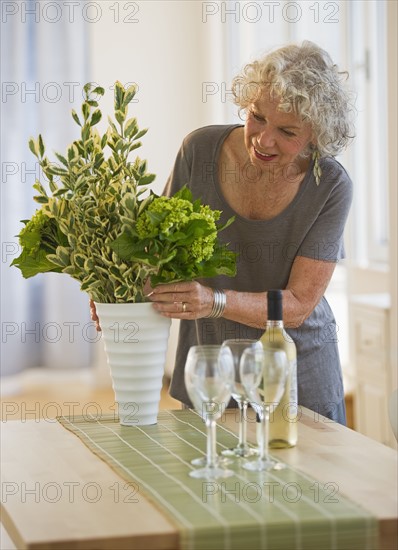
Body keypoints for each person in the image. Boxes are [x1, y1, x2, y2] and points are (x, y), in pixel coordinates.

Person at [92, 41, 355, 425]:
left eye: (286, 131)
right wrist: (118, 295)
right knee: (207, 483)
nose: (264, 139)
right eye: (257, 116)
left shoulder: (330, 185)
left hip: (296, 383)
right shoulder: (198, 151)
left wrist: (212, 300)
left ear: (316, 133)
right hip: (210, 374)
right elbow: (156, 253)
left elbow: (297, 305)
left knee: (300, 487)